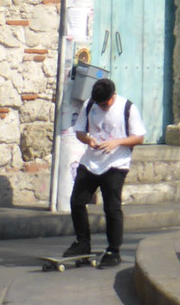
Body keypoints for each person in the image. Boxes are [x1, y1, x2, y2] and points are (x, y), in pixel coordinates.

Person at [62, 77, 146, 266]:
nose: (102, 106)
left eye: (105, 103)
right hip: (91, 161)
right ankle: (82, 243)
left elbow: (139, 137)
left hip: (116, 163)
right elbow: (80, 132)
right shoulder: (90, 105)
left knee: (111, 207)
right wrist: (89, 140)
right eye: (99, 104)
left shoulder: (128, 108)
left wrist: (117, 142)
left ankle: (113, 250)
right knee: (77, 201)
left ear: (113, 96)